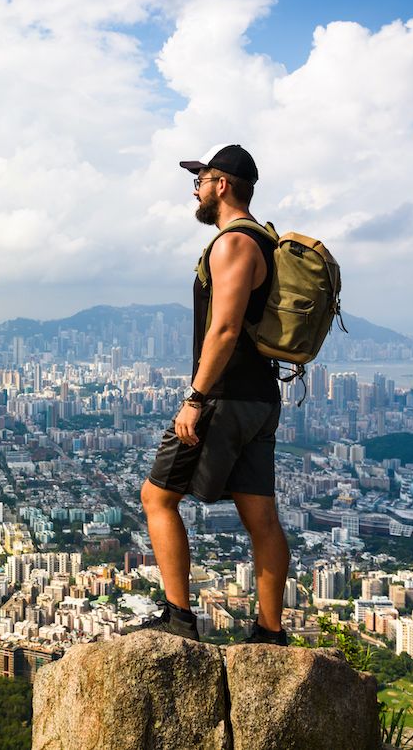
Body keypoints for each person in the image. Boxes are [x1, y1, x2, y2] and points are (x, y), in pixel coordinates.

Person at [135, 143, 289, 645]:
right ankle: (270, 632)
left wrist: (196, 398)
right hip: (260, 398)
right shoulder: (264, 241)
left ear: (222, 185)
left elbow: (222, 330)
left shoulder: (235, 244)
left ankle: (179, 617)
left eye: (200, 181)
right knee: (261, 517)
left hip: (224, 397)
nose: (196, 191)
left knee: (157, 497)